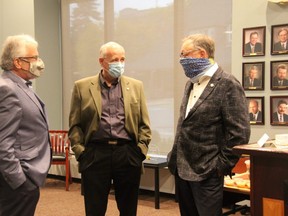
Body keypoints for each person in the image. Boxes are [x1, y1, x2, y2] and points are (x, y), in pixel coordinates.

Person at [167, 34, 250, 216]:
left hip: (207, 173)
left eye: (184, 54)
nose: (181, 60)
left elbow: (240, 133)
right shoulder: (191, 84)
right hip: (182, 170)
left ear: (202, 54)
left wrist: (220, 167)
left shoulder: (228, 84)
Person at [68, 41, 151, 216]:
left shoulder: (136, 86)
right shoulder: (82, 86)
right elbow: (75, 125)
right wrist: (81, 153)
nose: (120, 64)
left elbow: (144, 124)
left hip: (127, 154)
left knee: (128, 209)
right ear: (101, 61)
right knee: (95, 209)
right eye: (114, 60)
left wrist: (140, 151)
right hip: (95, 154)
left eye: (122, 59)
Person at [0, 34, 51, 216]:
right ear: (18, 62)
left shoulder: (21, 85)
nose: (39, 62)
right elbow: (2, 142)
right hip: (18, 181)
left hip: (26, 177)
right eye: (34, 57)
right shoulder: (7, 88)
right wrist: (19, 180)